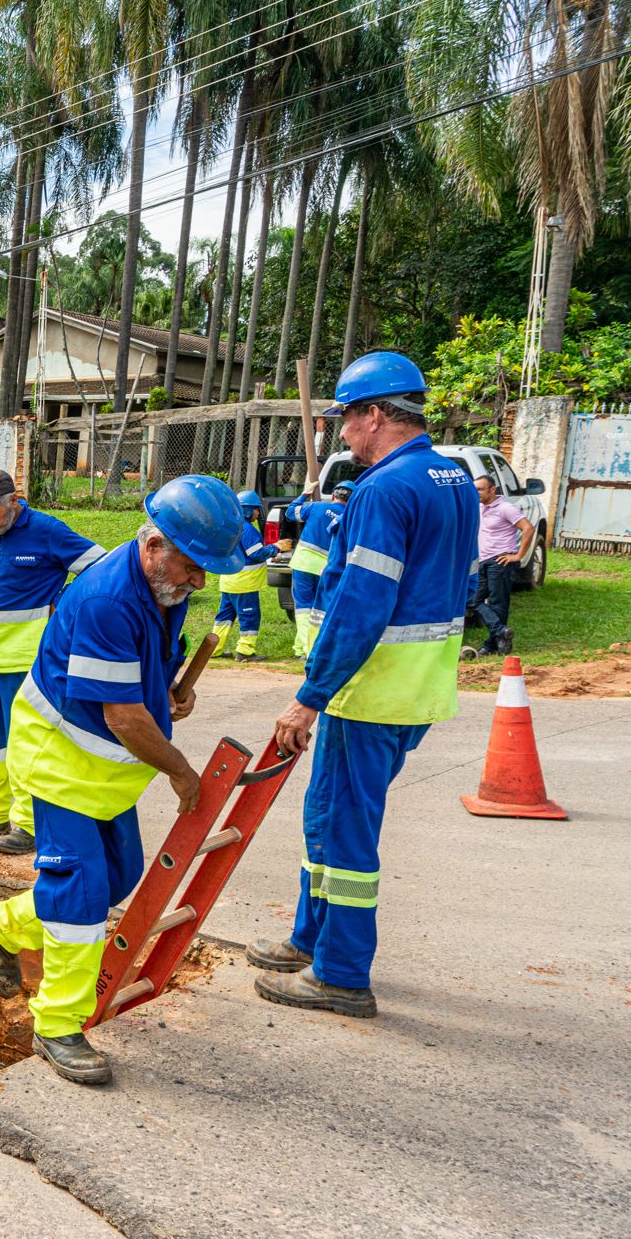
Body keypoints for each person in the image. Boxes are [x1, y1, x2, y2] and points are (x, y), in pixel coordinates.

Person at [0, 475, 247, 1085]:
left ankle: (2, 922)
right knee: (82, 893)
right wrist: (181, 773)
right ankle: (58, 1025)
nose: (200, 581)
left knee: (118, 878)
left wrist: (172, 688)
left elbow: (140, 679)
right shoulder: (107, 598)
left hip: (105, 772)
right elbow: (122, 715)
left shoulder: (160, 589)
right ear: (155, 545)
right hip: (61, 761)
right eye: (195, 566)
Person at [250, 352, 476, 1019]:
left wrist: (309, 695)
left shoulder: (383, 489)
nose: (342, 432)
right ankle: (308, 939)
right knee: (325, 816)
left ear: (377, 414)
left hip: (371, 689)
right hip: (416, 689)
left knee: (345, 831)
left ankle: (342, 974)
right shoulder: (454, 477)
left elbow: (362, 604)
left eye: (348, 417)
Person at [0, 468, 107, 856]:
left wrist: (62, 602)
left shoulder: (48, 530)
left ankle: (32, 824)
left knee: (26, 743)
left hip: (31, 662)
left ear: (14, 501)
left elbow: (102, 565)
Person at [462, 475, 534, 660]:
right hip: (482, 561)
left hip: (500, 561)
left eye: (480, 489)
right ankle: (501, 631)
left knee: (498, 603)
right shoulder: (479, 507)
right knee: (473, 599)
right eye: (474, 489)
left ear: (492, 490)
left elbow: (528, 528)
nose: (476, 492)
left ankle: (492, 645)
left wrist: (518, 555)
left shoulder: (506, 508)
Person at [285, 480, 355, 659]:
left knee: (302, 607)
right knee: (319, 609)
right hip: (327, 569)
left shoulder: (316, 507)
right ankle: (300, 647)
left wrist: (304, 494)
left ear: (333, 496)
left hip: (303, 564)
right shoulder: (350, 518)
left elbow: (290, 513)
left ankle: (308, 651)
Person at [210, 490, 280, 662]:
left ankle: (213, 650)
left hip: (229, 581)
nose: (258, 512)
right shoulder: (248, 529)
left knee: (224, 618)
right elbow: (256, 554)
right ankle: (245, 652)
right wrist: (276, 547)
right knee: (249, 616)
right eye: (256, 509)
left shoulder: (231, 527)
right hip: (244, 584)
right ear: (248, 510)